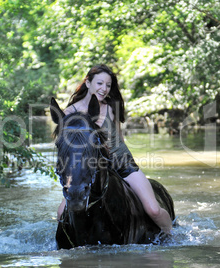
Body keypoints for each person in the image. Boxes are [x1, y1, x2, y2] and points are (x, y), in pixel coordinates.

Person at [56, 64, 173, 234]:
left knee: (153, 210)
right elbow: (66, 147)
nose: (104, 89)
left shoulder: (110, 108)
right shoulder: (69, 113)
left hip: (121, 163)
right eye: (100, 83)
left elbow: (119, 139)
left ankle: (171, 235)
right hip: (87, 169)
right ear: (88, 83)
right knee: (61, 214)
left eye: (108, 85)